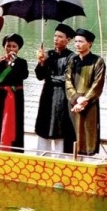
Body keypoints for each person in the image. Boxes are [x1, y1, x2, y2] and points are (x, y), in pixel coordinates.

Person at [34, 23, 77, 154]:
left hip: (62, 98)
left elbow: (68, 79)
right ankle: (41, 157)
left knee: (60, 128)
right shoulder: (48, 54)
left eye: (60, 37)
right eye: (55, 36)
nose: (56, 39)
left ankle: (61, 159)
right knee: (44, 125)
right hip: (47, 95)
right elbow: (39, 76)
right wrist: (41, 62)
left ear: (68, 40)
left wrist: (50, 77)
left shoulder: (72, 57)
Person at [65, 28, 106, 156]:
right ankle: (71, 158)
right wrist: (77, 99)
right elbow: (67, 81)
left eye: (81, 41)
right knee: (72, 131)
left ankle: (87, 159)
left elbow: (97, 84)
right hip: (73, 102)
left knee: (88, 132)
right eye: (76, 41)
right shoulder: (72, 60)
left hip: (89, 103)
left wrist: (84, 100)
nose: (77, 44)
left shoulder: (97, 61)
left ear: (90, 43)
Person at [0, 33, 29, 151]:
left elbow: (24, 75)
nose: (11, 49)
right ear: (4, 47)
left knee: (16, 122)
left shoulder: (22, 62)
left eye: (14, 46)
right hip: (1, 96)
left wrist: (14, 63)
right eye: (8, 46)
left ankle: (16, 149)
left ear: (18, 49)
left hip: (16, 97)